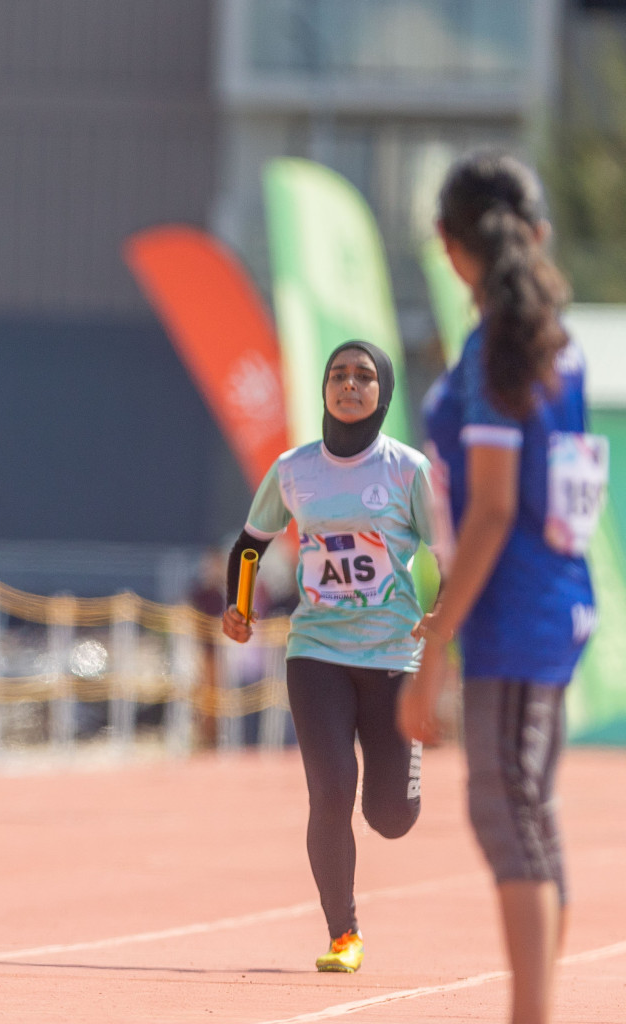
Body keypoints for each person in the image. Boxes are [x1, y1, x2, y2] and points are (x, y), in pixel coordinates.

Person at [401, 151, 600, 1024]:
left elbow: (487, 514)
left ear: (450, 247)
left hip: (515, 612)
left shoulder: (496, 354)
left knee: (508, 812)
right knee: (528, 813)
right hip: (552, 603)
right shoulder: (557, 344)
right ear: (539, 236)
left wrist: (432, 648)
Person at [222, 340, 439, 973]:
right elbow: (248, 545)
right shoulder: (294, 470)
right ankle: (343, 932)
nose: (349, 385)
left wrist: (443, 611)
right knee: (331, 791)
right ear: (323, 389)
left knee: (390, 816)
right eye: (338, 375)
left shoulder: (407, 469)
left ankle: (404, 777)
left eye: (364, 377)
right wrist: (239, 607)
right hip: (316, 649)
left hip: (395, 654)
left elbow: (448, 549)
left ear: (383, 393)